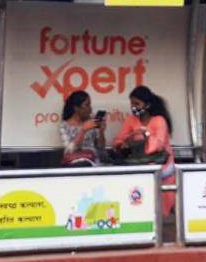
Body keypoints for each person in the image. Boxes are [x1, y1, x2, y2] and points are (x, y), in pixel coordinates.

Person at [112, 84, 177, 215]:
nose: (133, 107)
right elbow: (118, 140)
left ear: (147, 105)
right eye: (131, 104)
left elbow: (156, 146)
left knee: (161, 208)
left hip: (162, 167)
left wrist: (146, 133)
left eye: (137, 103)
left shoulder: (159, 120)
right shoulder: (131, 120)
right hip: (140, 165)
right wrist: (125, 142)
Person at [59, 90, 105, 166]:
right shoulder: (64, 125)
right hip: (73, 163)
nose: (90, 109)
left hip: (92, 161)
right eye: (87, 105)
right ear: (76, 108)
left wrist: (101, 131)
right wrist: (83, 130)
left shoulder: (92, 122)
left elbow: (101, 147)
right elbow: (70, 149)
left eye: (90, 105)